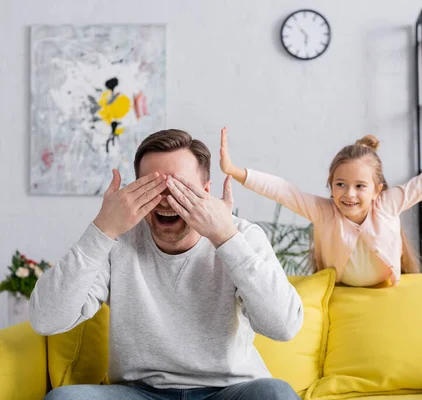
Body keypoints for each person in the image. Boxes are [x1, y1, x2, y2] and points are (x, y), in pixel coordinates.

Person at [29, 129, 304, 400]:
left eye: (180, 187)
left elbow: (284, 326)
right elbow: (46, 320)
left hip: (228, 391)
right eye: (151, 187)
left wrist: (225, 238)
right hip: (139, 393)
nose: (166, 199)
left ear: (206, 192)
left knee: (276, 393)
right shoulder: (116, 239)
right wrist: (101, 230)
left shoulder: (241, 236)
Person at [220, 114, 422, 288]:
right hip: (342, 290)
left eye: (359, 186)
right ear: (330, 185)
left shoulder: (388, 205)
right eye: (340, 184)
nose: (349, 194)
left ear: (377, 190)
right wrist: (237, 172)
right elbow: (282, 191)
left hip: (385, 289)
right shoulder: (323, 212)